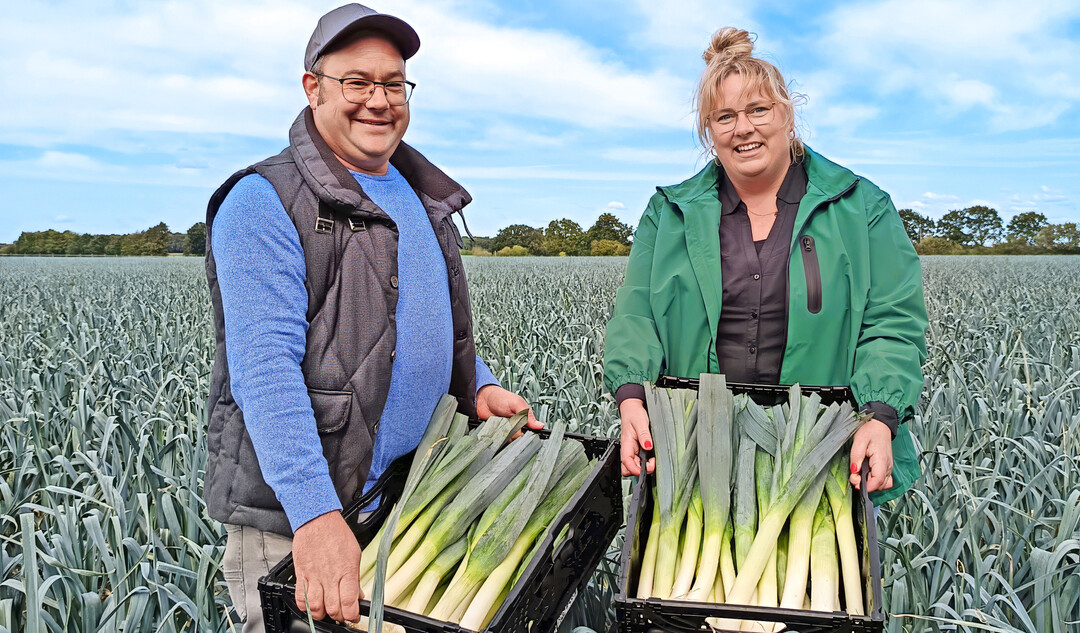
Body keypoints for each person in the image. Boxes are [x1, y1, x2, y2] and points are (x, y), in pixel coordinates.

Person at [203, 5, 540, 630]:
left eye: (393, 83)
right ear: (313, 86)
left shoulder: (414, 192)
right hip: (311, 523)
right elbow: (264, 371)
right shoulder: (263, 201)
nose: (378, 100)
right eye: (357, 82)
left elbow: (424, 320)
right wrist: (314, 515)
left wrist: (479, 385)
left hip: (401, 502)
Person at [604, 28, 927, 506]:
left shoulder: (862, 208)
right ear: (709, 132)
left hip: (822, 451)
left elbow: (892, 324)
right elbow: (636, 318)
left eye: (758, 110)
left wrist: (880, 415)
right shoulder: (669, 214)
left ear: (787, 116)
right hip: (692, 453)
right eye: (725, 117)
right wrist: (631, 394)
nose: (743, 128)